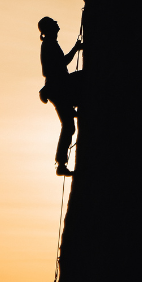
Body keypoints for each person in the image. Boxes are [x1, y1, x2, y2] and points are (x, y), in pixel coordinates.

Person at [37, 16, 83, 176]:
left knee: (68, 125)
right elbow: (61, 63)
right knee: (69, 126)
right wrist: (76, 48)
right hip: (59, 88)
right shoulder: (49, 45)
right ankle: (61, 164)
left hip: (58, 88)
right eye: (53, 23)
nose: (57, 24)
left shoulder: (50, 44)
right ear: (49, 28)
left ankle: (61, 164)